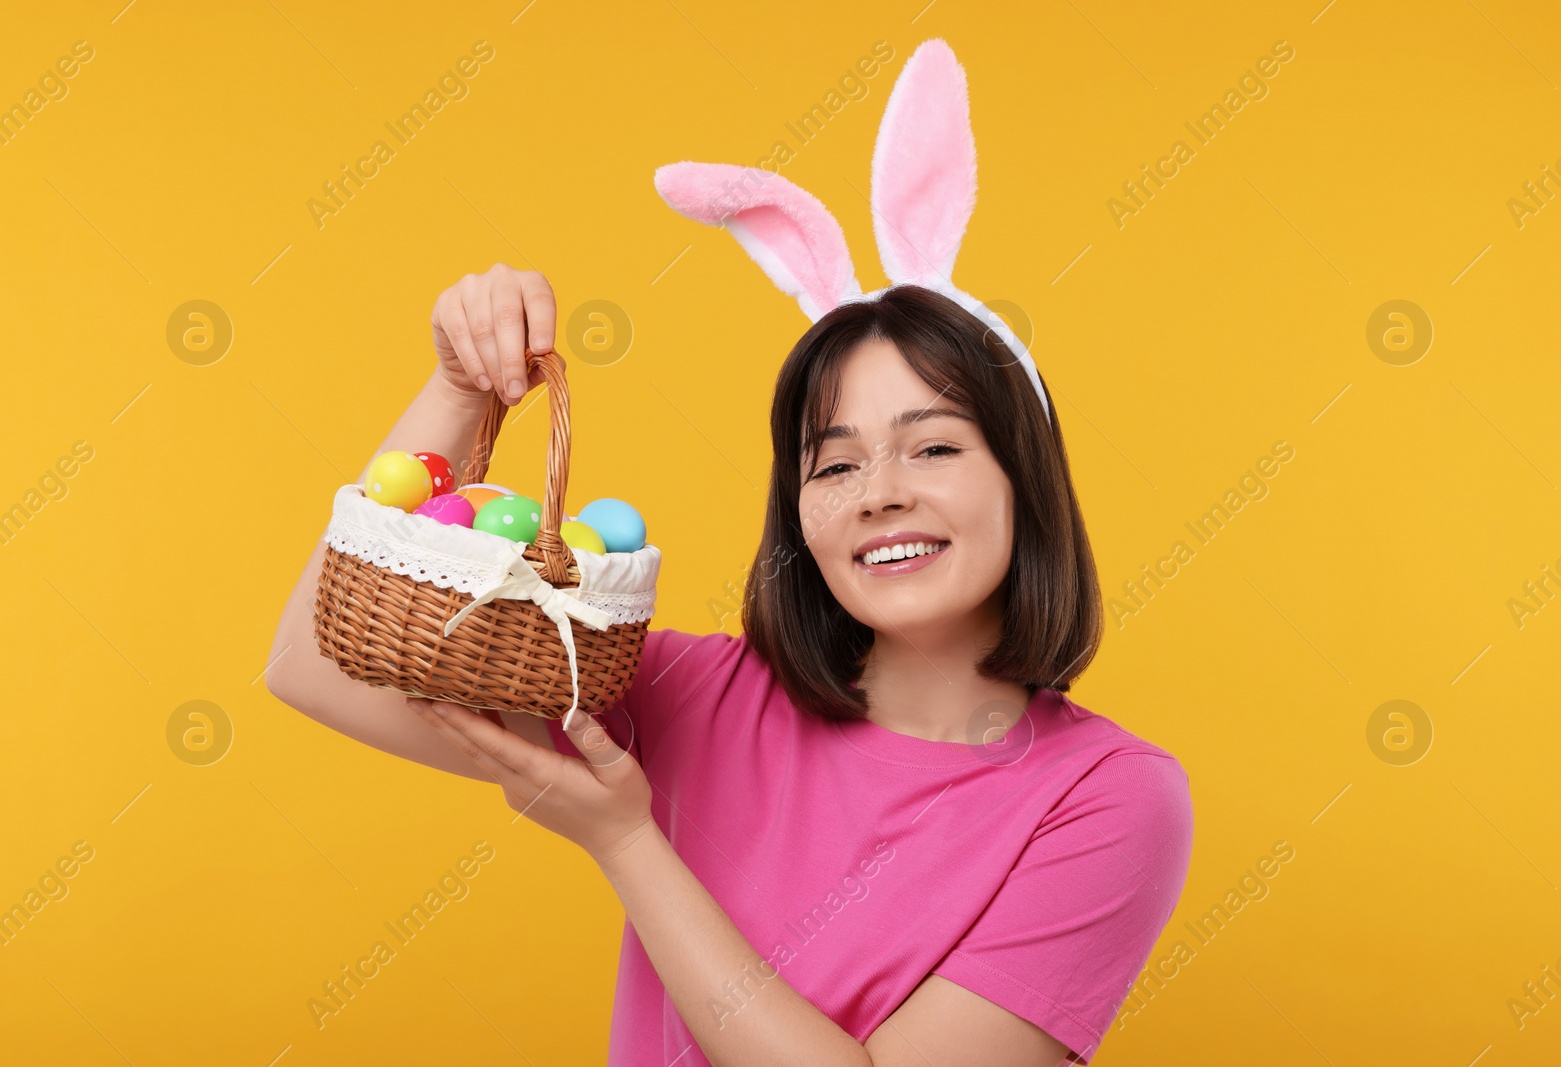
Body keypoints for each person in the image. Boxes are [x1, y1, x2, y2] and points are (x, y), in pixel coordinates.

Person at [266, 262, 1194, 1066]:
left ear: (1024, 484)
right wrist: (459, 387)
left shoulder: (1108, 798)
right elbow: (315, 658)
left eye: (936, 446)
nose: (881, 494)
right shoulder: (685, 695)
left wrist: (629, 842)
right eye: (833, 467)